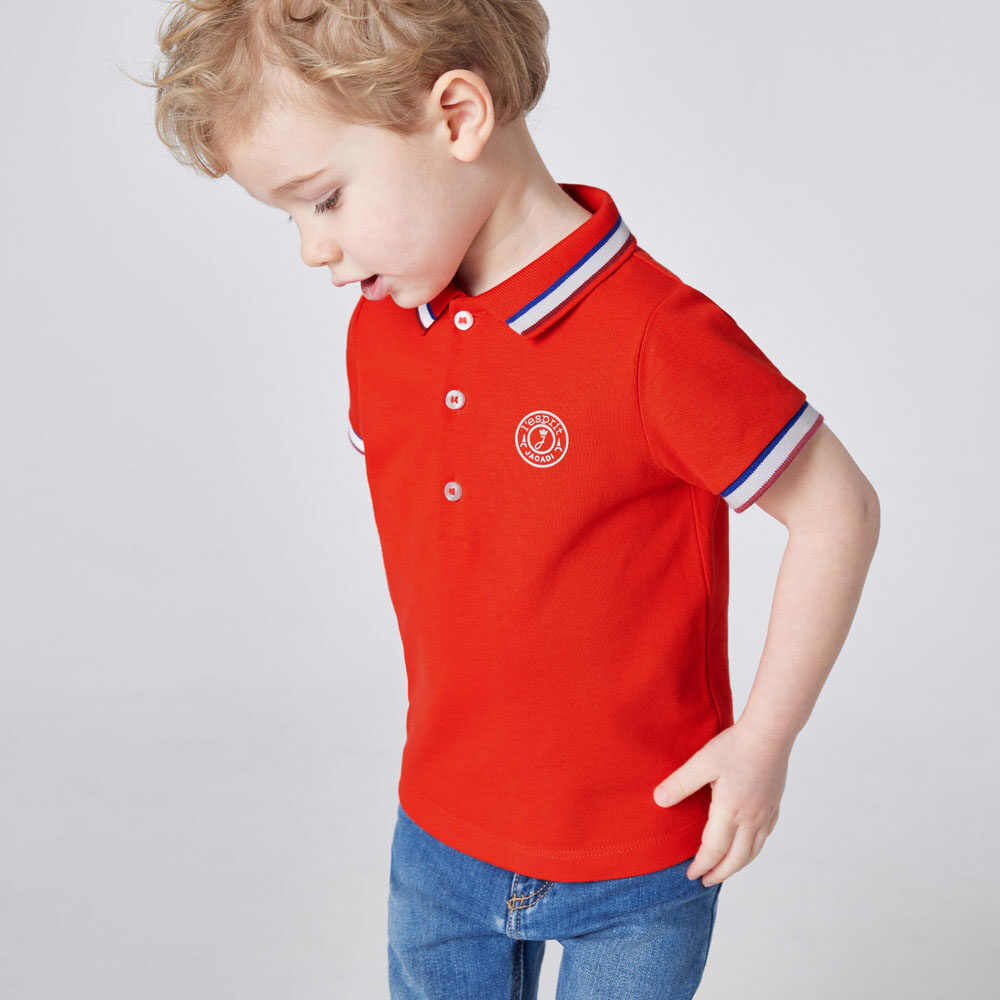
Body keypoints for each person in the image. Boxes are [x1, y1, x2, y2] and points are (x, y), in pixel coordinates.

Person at [142, 2, 880, 997]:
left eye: (325, 199)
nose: (312, 250)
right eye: (291, 216)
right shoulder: (380, 334)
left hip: (638, 864)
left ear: (457, 116)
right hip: (439, 845)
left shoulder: (656, 342)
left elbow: (837, 511)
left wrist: (765, 740)